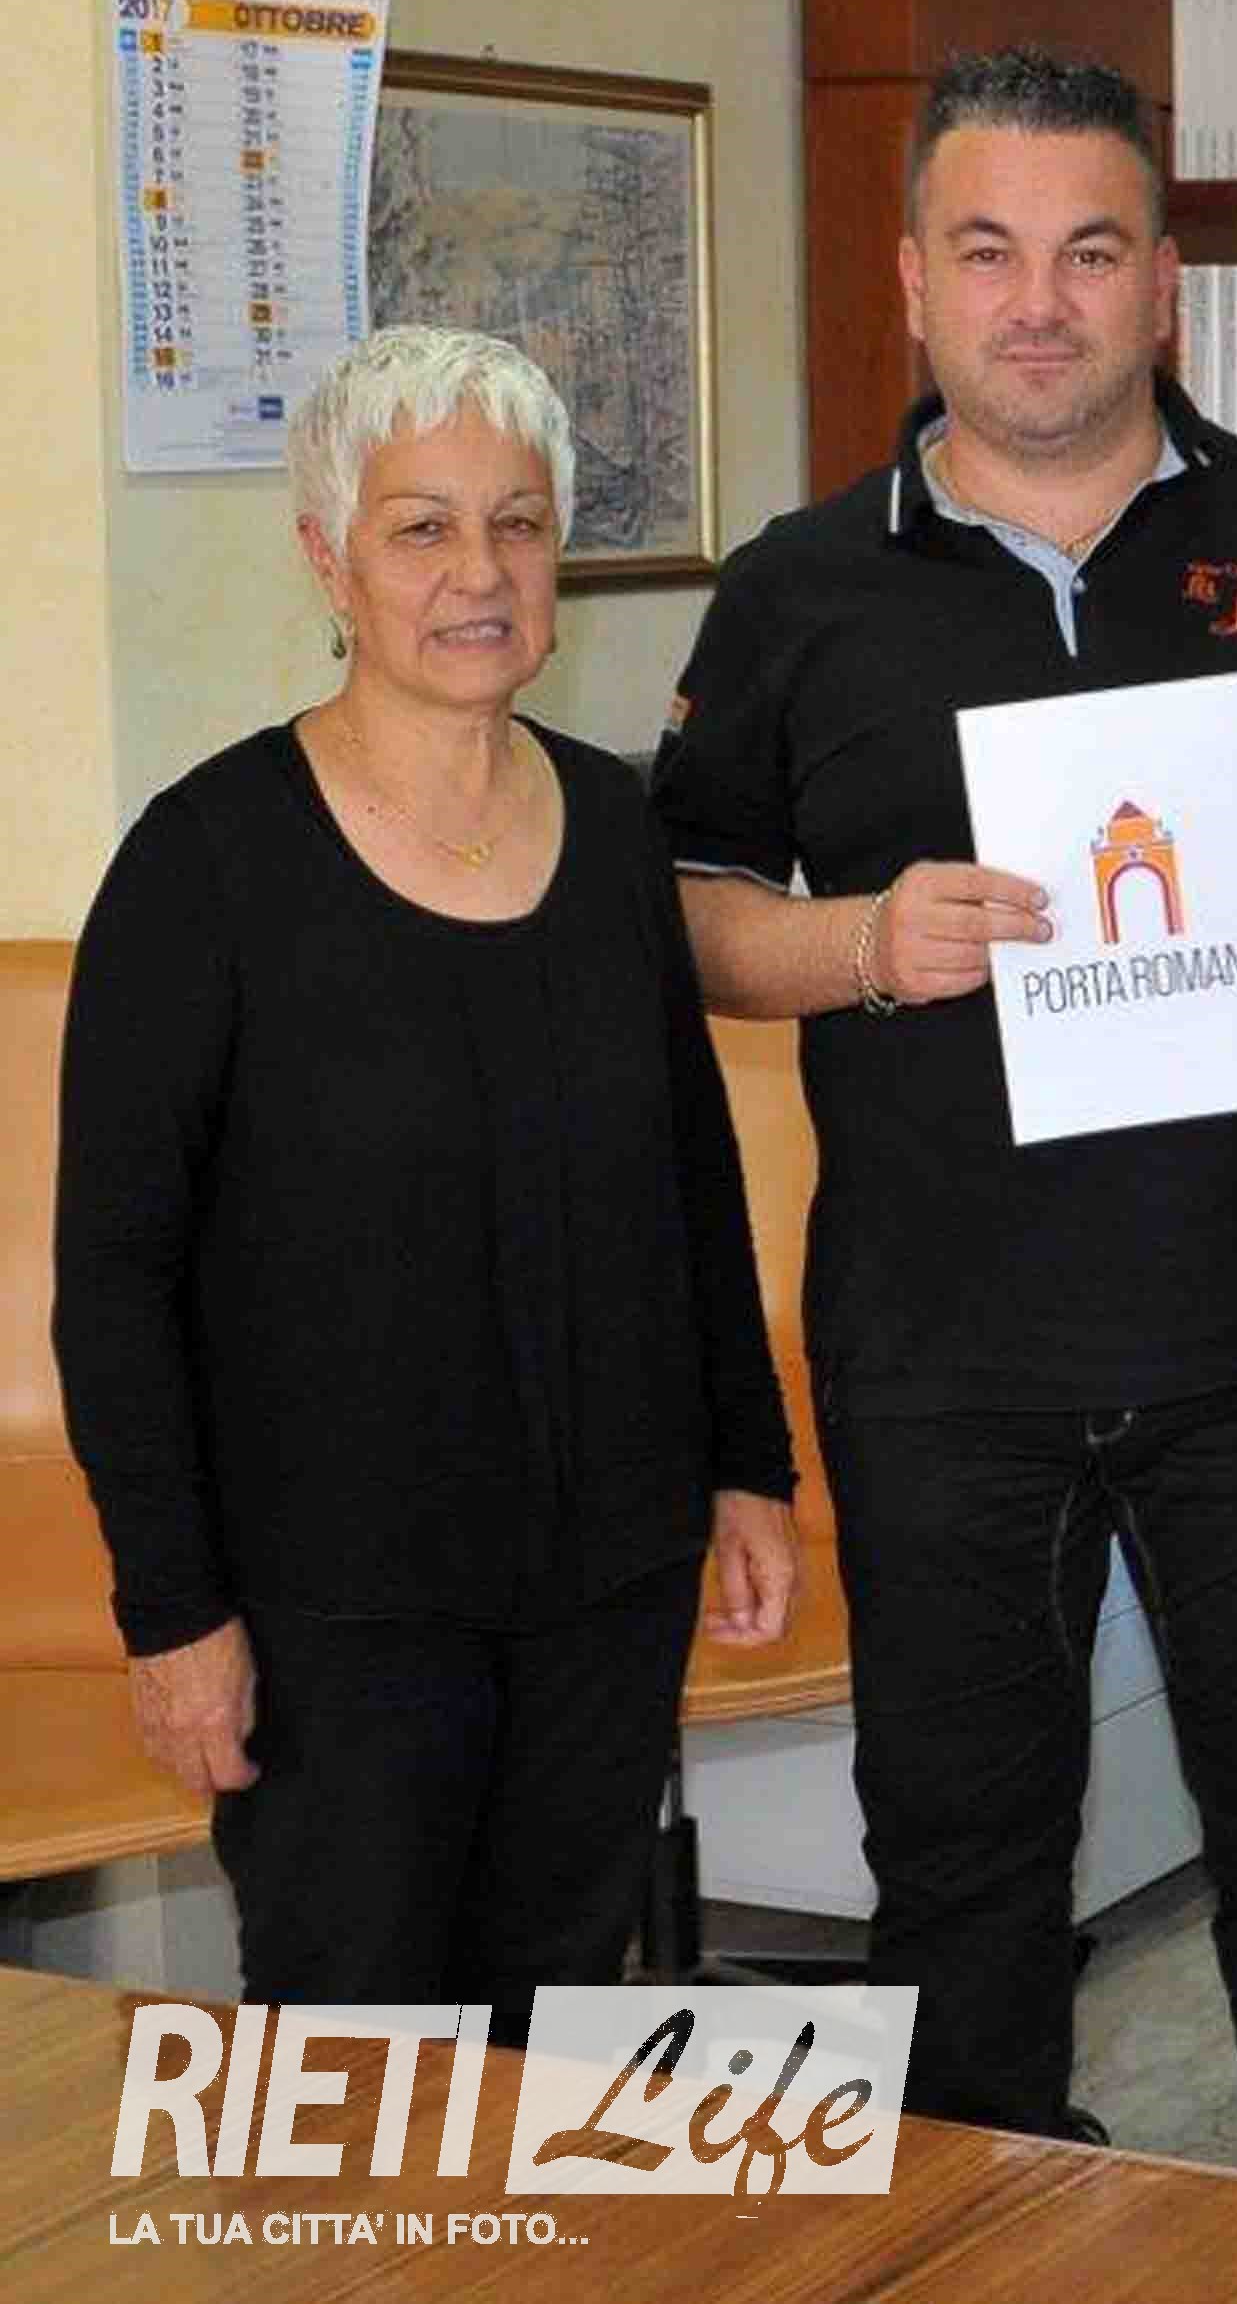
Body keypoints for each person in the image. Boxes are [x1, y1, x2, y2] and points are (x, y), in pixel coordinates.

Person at [654, 47, 1237, 2178]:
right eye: (987, 252)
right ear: (913, 280)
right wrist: (856, 941)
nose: (1039, 302)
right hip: (941, 1355)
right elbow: (683, 910)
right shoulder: (800, 584)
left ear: (1164, 283)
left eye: (1091, 252)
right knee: (959, 1875)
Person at [53, 325, 799, 2043]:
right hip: (333, 1614)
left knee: (547, 2043)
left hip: (607, 1583)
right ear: (329, 558)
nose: (480, 572)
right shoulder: (204, 865)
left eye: (518, 523)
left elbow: (689, 1177)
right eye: (421, 527)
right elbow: (113, 1281)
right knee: (349, 2072)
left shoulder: (615, 832)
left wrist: (745, 1467)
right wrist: (174, 1615)